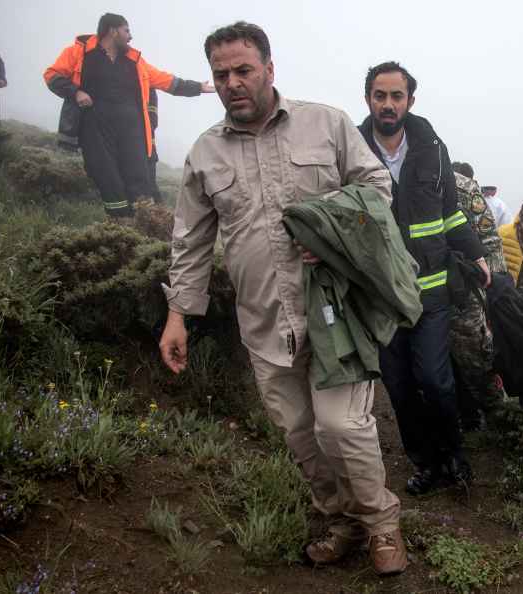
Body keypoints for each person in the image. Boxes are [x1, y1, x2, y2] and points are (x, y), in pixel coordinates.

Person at [158, 22, 406, 575]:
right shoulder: (205, 153)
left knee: (343, 427)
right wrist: (178, 315)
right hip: (265, 321)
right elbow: (191, 240)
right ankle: (339, 520)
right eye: (221, 74)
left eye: (243, 70)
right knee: (299, 433)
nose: (232, 83)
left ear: (269, 68)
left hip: (337, 314)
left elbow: (376, 187)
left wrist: (333, 233)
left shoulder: (327, 123)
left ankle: (382, 524)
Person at [358, 61, 489, 496]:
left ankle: (455, 456)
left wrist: (475, 252)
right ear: (369, 100)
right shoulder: (353, 150)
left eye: (397, 96)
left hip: (431, 291)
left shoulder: (433, 148)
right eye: (381, 95)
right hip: (381, 295)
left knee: (434, 379)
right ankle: (426, 463)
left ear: (410, 101)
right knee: (398, 385)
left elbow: (452, 211)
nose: (388, 104)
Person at [44, 13, 213, 217]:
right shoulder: (78, 52)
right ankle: (121, 225)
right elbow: (52, 76)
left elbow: (165, 80)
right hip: (94, 128)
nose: (130, 36)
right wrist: (76, 92)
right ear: (113, 31)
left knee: (139, 177)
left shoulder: (136, 61)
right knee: (106, 175)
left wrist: (198, 87)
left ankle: (146, 223)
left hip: (132, 130)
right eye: (127, 31)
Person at [450, 161, 507, 429]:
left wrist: (495, 289)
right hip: (416, 291)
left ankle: (498, 417)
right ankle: (459, 416)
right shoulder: (392, 181)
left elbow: (489, 241)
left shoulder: (464, 187)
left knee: (476, 355)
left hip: (465, 291)